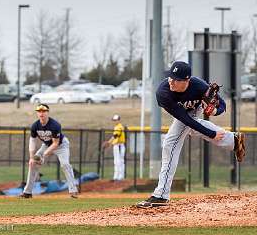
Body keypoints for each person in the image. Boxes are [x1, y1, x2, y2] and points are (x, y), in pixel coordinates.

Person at [136, 61, 245, 208]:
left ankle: (161, 195)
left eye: (176, 80)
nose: (171, 82)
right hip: (184, 114)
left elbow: (222, 105)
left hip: (195, 108)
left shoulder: (199, 86)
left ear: (187, 80)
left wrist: (214, 111)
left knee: (170, 143)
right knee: (190, 128)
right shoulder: (163, 93)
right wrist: (211, 133)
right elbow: (185, 119)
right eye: (170, 77)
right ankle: (233, 139)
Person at [20, 104, 78, 198]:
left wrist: (44, 155)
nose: (41, 113)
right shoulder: (35, 125)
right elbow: (32, 141)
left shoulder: (55, 125)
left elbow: (55, 143)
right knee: (33, 163)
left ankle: (73, 191)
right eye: (39, 111)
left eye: (44, 111)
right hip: (46, 145)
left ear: (48, 113)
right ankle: (27, 192)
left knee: (65, 165)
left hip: (61, 145)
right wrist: (31, 157)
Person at [102, 114, 126, 181]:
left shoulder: (118, 127)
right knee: (119, 161)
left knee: (118, 161)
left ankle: (118, 177)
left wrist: (109, 142)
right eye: (114, 120)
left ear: (119, 120)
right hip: (118, 145)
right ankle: (119, 176)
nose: (115, 121)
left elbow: (115, 136)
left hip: (119, 146)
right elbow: (115, 137)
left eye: (116, 120)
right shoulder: (118, 126)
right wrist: (110, 143)